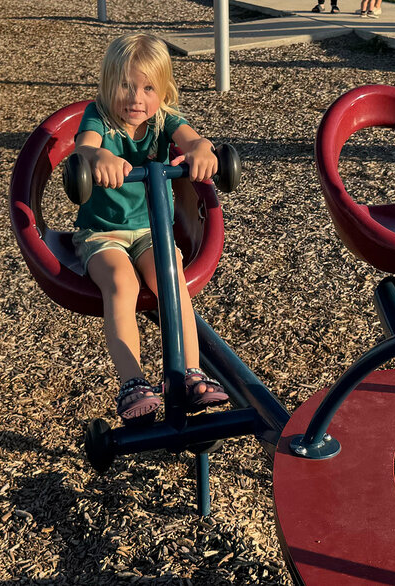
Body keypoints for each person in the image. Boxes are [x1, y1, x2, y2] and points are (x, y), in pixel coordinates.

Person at [72, 33, 228, 425]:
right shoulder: (99, 116)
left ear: (164, 91)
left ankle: (191, 373)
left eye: (147, 88)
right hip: (102, 232)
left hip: (150, 231)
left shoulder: (164, 119)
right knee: (121, 284)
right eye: (125, 85)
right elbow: (85, 147)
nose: (135, 98)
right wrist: (99, 156)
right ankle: (132, 383)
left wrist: (199, 150)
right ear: (108, 85)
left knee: (169, 280)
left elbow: (194, 139)